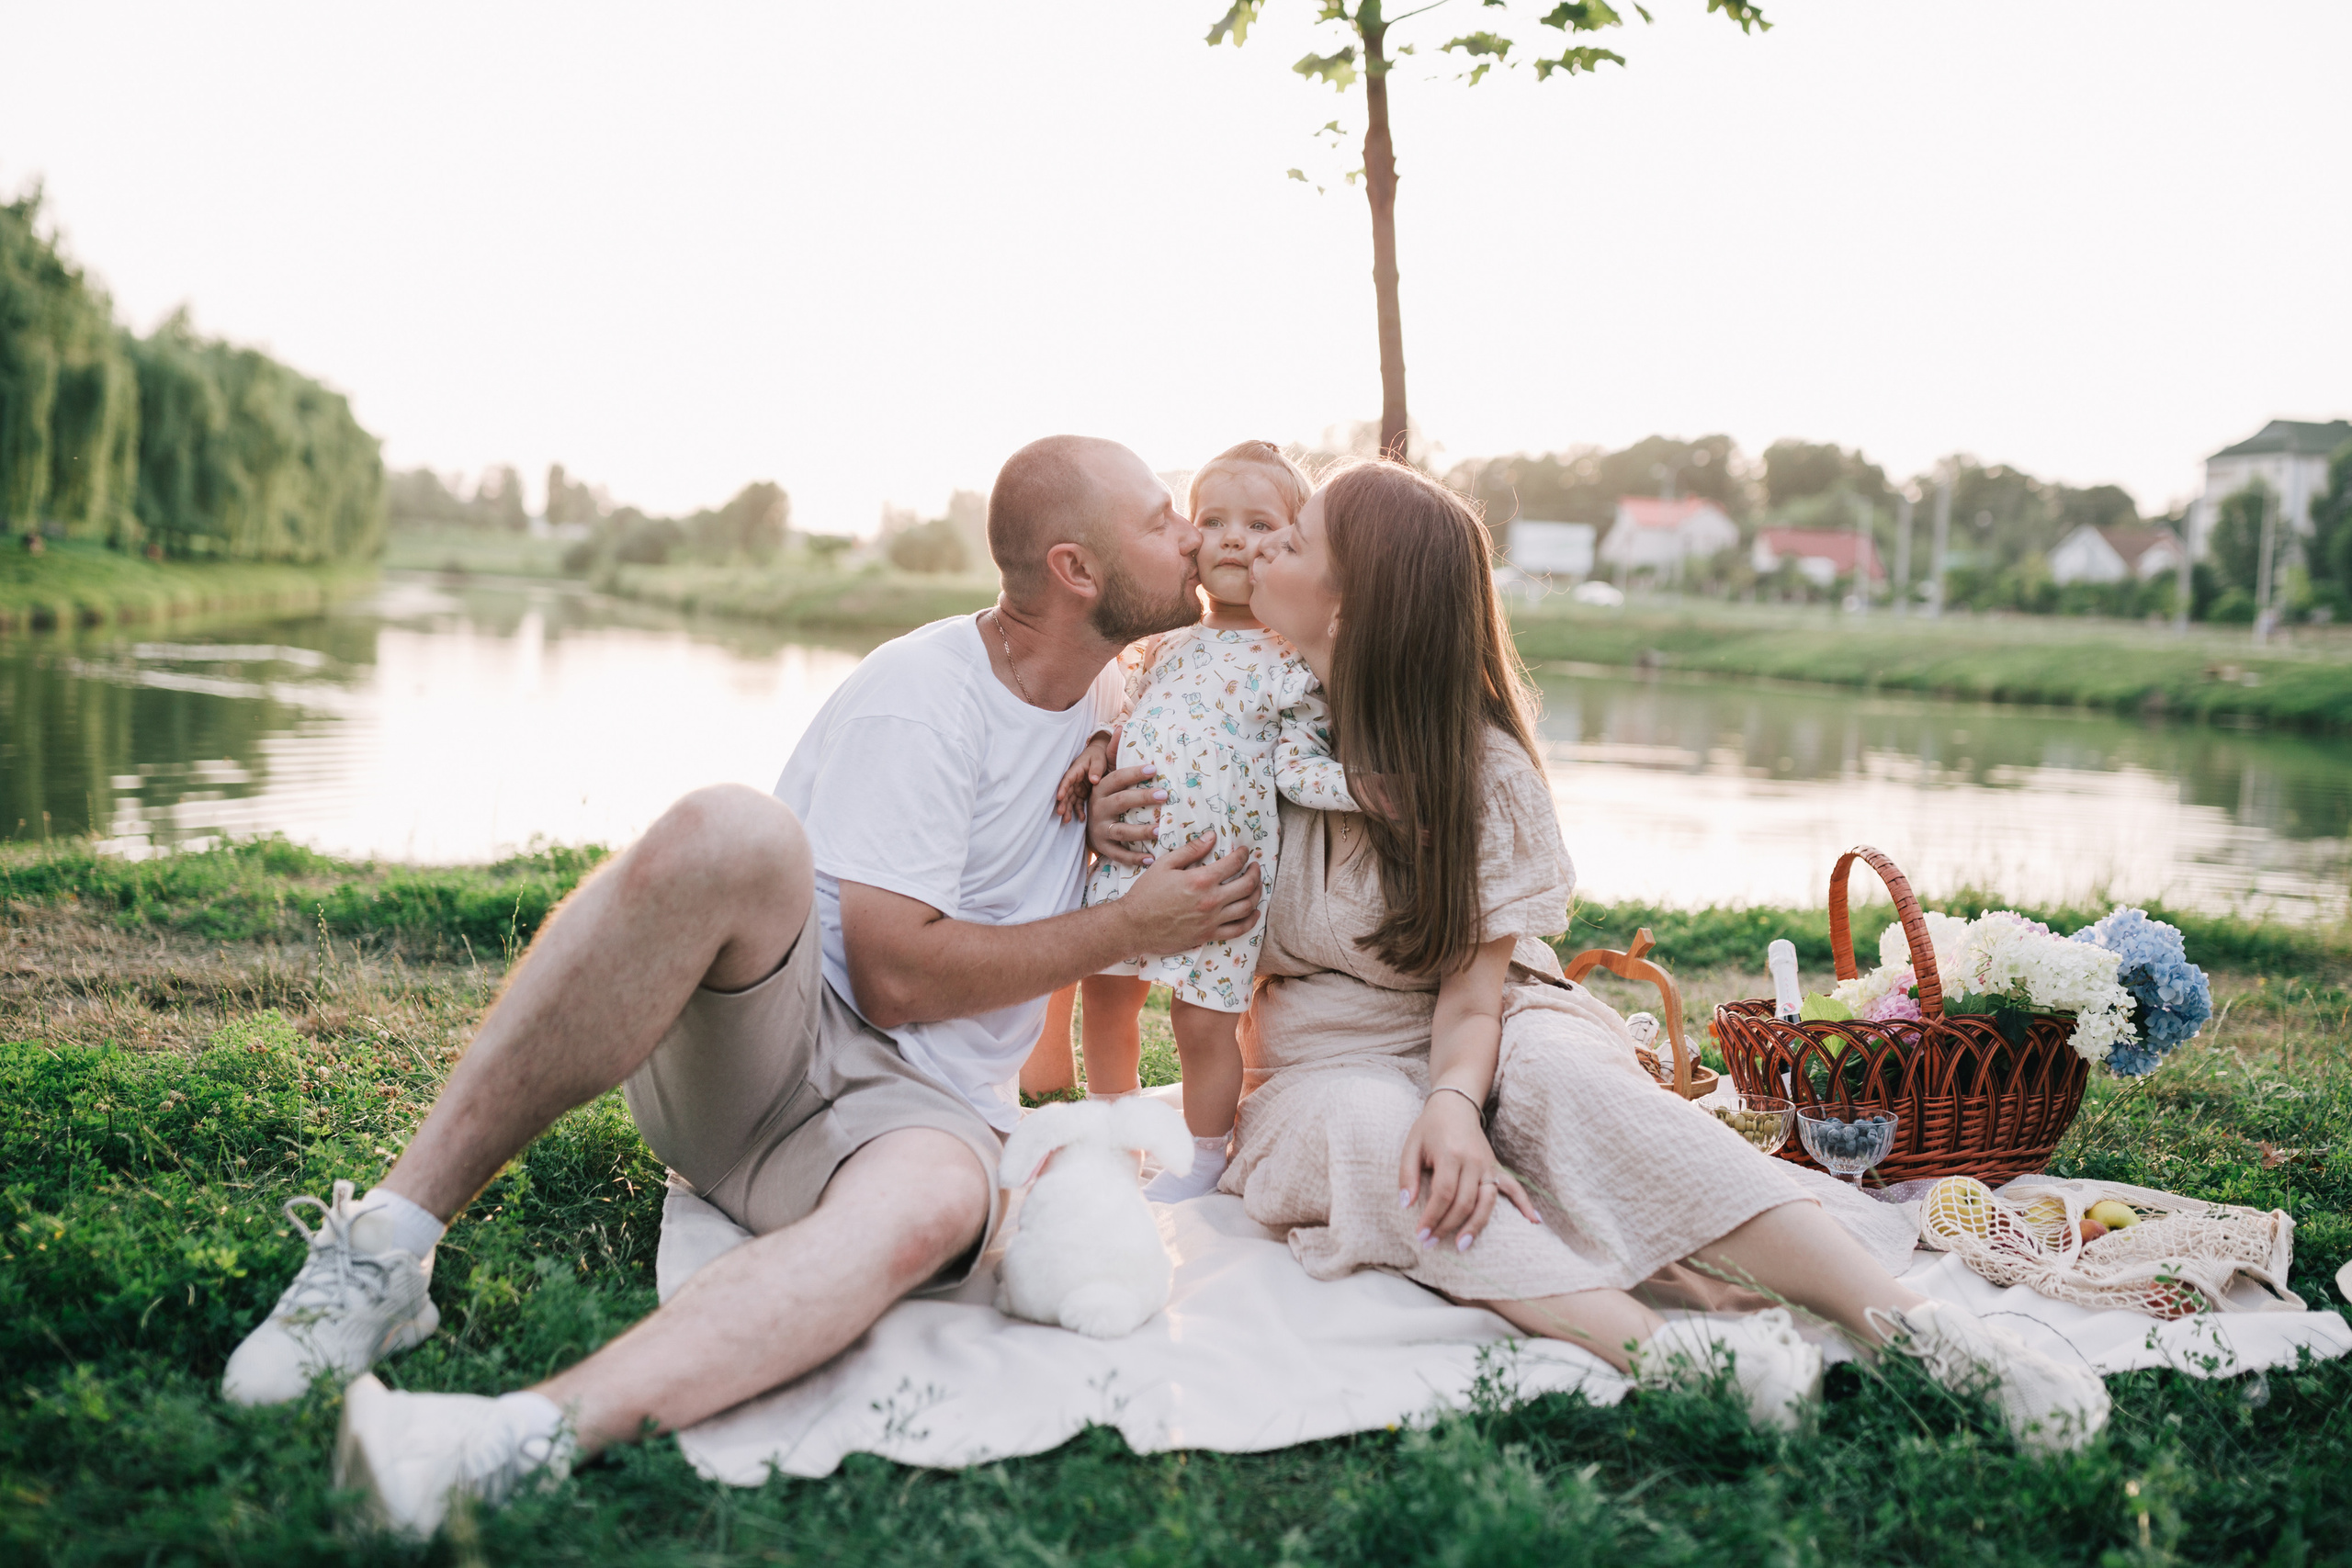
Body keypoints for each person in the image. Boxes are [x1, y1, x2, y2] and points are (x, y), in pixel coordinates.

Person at [219, 434, 1264, 1539]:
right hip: (763, 1052)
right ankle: (387, 1246)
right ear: (1077, 572)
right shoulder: (921, 694)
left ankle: (504, 1444)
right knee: (736, 829)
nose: (1192, 534)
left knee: (944, 1203)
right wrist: (1123, 925)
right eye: (1161, 518)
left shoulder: (1120, 688)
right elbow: (894, 976)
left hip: (916, 1123)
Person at [1227, 457, 2111, 1451]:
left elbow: (1474, 1001)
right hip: (1325, 1058)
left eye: (1292, 538)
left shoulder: (1484, 772)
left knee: (1575, 1083)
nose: (1263, 545)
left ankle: (1921, 1330)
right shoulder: (1234, 730)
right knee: (1365, 1129)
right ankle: (1669, 1356)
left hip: (1494, 1015)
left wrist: (1454, 1101)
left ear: (1348, 611)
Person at [1069, 441, 1356, 1201]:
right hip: (1131, 860)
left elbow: (1298, 766)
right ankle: (1112, 1137)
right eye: (1214, 520)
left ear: (1298, 550)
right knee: (1105, 992)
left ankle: (1201, 1155)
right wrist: (1100, 746)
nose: (1233, 537)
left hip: (1220, 877)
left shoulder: (1291, 660)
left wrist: (1366, 789)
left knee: (1202, 1022)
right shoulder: (1161, 643)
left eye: (1262, 524)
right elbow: (1123, 713)